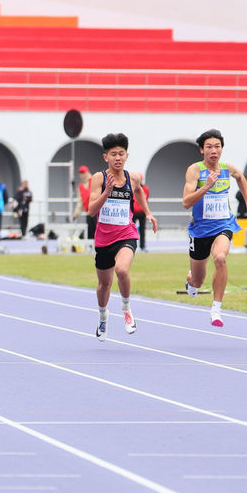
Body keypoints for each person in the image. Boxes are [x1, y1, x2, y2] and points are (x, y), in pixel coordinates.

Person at [182, 129, 247, 328]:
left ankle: (216, 308)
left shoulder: (226, 168)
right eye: (209, 147)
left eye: (217, 146)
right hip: (200, 229)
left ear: (222, 149)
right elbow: (186, 202)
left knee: (220, 258)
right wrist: (206, 187)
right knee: (198, 281)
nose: (213, 150)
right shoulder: (194, 170)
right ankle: (191, 279)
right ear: (202, 150)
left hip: (223, 224)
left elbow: (240, 177)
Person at [87, 135, 157, 340]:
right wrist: (107, 192)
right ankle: (103, 316)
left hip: (126, 233)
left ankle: (126, 308)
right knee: (104, 285)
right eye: (113, 154)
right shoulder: (99, 178)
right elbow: (91, 210)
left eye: (121, 154)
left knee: (122, 269)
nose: (117, 158)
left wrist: (148, 213)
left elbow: (139, 191)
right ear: (106, 157)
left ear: (126, 156)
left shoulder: (132, 178)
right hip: (103, 239)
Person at [131, 173, 151, 251]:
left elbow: (146, 199)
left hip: (142, 212)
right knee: (131, 230)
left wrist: (147, 212)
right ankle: (132, 246)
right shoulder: (132, 188)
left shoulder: (145, 188)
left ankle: (142, 246)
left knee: (142, 230)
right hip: (133, 212)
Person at [76, 166, 94, 238]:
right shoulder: (80, 187)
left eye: (83, 172)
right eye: (80, 173)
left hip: (97, 212)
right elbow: (80, 202)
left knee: (94, 231)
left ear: (87, 172)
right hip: (89, 213)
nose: (82, 175)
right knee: (89, 233)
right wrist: (76, 214)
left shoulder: (94, 181)